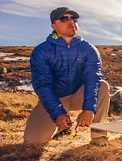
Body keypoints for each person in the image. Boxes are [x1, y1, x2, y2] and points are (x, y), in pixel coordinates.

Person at [24, 7, 110, 146]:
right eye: (64, 19)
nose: (71, 21)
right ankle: (60, 126)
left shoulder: (89, 49)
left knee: (102, 86)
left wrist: (89, 109)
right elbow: (43, 86)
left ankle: (98, 136)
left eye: (73, 19)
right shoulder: (41, 51)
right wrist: (58, 113)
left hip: (78, 95)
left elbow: (92, 79)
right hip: (56, 98)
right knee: (32, 142)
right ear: (54, 25)